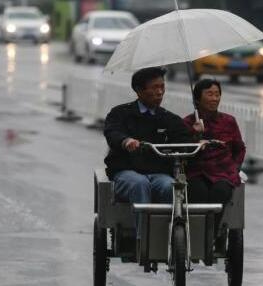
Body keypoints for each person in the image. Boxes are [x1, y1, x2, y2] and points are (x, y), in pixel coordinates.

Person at [103, 66, 192, 242]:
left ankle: (167, 238)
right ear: (138, 90)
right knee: (140, 184)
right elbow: (112, 132)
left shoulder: (169, 118)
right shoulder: (120, 113)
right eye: (154, 88)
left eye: (162, 87)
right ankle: (143, 239)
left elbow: (184, 140)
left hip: (158, 173)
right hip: (126, 172)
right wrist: (126, 141)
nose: (160, 92)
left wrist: (197, 136)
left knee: (171, 187)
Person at [183, 78, 246, 214]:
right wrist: (195, 134)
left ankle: (212, 232)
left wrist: (234, 168)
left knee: (220, 192)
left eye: (217, 94)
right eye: (209, 94)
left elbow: (239, 149)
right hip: (196, 172)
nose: (214, 98)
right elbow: (183, 150)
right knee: (197, 192)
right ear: (197, 99)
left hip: (223, 172)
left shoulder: (229, 121)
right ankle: (198, 230)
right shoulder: (188, 122)